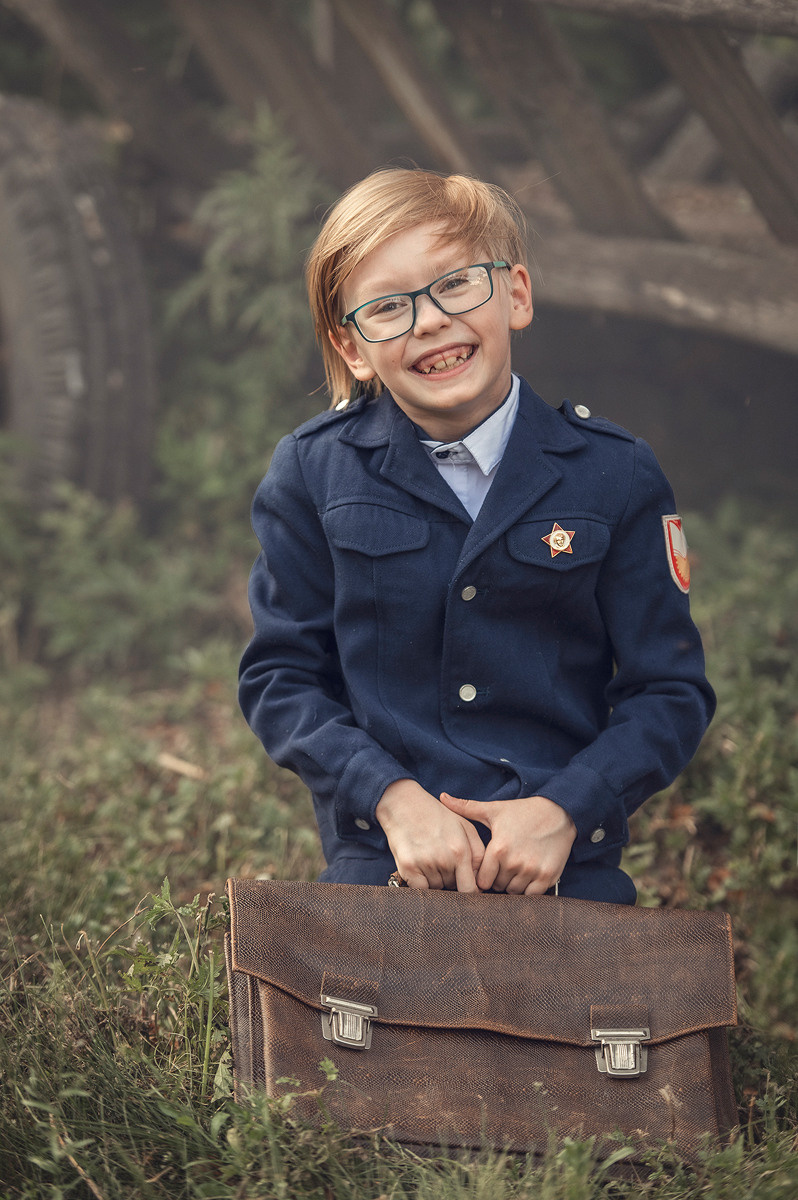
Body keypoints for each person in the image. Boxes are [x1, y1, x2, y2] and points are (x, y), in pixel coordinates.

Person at [238, 167, 715, 903]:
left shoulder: (616, 473)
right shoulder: (312, 471)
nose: (429, 321)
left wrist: (566, 809)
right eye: (388, 307)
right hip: (386, 858)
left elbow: (669, 690)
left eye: (455, 284)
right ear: (354, 348)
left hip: (565, 865)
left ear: (516, 294)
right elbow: (280, 676)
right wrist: (391, 798)